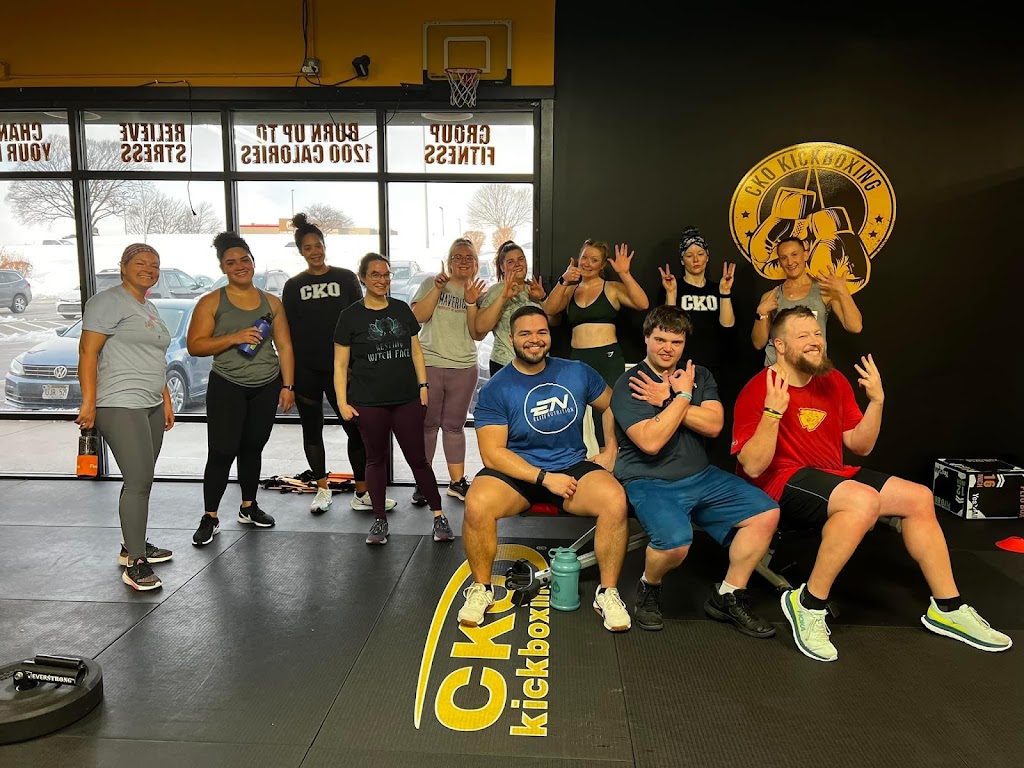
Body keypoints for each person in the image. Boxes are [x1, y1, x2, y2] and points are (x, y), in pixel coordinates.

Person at [732, 306, 1012, 662]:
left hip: (831, 474)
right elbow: (753, 466)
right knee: (862, 501)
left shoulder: (833, 381)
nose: (815, 341)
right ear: (780, 346)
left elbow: (860, 445)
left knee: (919, 497)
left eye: (817, 334)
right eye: (803, 336)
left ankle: (948, 608)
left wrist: (877, 402)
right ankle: (808, 604)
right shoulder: (760, 388)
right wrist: (773, 412)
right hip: (779, 480)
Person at [458, 305, 632, 632]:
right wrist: (544, 478)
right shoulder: (496, 388)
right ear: (511, 338)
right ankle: (482, 588)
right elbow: (492, 454)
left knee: (615, 500)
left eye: (541, 332)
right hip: (518, 473)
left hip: (571, 467)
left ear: (549, 336)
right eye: (525, 333)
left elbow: (612, 405)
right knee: (477, 504)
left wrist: (611, 449)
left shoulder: (576, 372)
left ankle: (607, 592)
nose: (534, 339)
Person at [612, 305, 780, 635]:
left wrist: (671, 398)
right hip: (649, 480)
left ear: (684, 343)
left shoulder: (698, 374)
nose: (667, 348)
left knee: (765, 513)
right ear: (646, 338)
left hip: (701, 476)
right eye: (660, 340)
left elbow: (714, 424)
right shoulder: (631, 382)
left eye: (676, 342)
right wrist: (684, 396)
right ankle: (649, 585)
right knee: (675, 544)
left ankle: (728, 595)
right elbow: (650, 441)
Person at [333, 253, 452, 545]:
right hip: (368, 402)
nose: (382, 280)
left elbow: (416, 351)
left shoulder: (400, 309)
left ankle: (439, 516)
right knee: (375, 460)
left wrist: (423, 386)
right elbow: (340, 364)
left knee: (418, 460)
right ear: (363, 278)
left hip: (406, 399)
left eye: (386, 274)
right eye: (375, 274)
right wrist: (342, 402)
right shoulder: (350, 316)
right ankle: (379, 521)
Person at [282, 212, 395, 515]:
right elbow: (287, 334)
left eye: (318, 245)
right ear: (301, 251)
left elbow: (361, 320)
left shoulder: (345, 278)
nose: (314, 252)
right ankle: (322, 489)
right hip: (307, 370)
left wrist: (360, 365)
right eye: (308, 248)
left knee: (355, 430)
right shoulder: (293, 286)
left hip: (343, 370)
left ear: (325, 245)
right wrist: (288, 382)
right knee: (312, 430)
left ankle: (362, 492)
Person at [77, 243, 176, 591]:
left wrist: (165, 399)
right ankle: (136, 561)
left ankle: (132, 544)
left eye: (155, 264)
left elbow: (155, 358)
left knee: (142, 479)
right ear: (123, 267)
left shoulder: (148, 306)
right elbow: (87, 352)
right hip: (119, 402)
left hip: (150, 403)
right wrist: (89, 402)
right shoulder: (106, 302)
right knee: (138, 480)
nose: (149, 269)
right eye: (141, 263)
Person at [187, 232, 295, 547]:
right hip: (227, 384)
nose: (239, 266)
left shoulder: (271, 302)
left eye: (244, 259)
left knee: (252, 448)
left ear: (253, 262)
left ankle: (249, 506)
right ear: (223, 268)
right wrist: (234, 337)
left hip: (266, 384)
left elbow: (285, 346)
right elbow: (195, 346)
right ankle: (210, 516)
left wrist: (288, 385)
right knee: (222, 451)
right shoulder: (211, 302)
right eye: (231, 262)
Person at [543, 239, 650, 446]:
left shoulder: (611, 288)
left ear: (602, 265)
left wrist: (625, 273)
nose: (587, 263)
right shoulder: (570, 290)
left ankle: (609, 457)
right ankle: (576, 459)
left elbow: (642, 303)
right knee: (573, 410)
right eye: (584, 258)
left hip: (607, 358)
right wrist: (564, 280)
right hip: (578, 359)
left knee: (607, 413)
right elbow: (549, 309)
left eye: (594, 260)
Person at [409, 238, 489, 506]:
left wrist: (472, 302)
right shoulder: (431, 282)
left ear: (476, 264)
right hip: (430, 364)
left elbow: (478, 333)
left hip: (464, 367)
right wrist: (437, 288)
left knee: (454, 427)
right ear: (449, 261)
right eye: (458, 256)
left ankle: (456, 482)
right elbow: (417, 317)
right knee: (428, 426)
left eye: (469, 257)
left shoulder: (480, 292)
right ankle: (423, 482)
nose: (463, 261)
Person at [751, 236, 863, 366]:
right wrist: (761, 312)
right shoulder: (770, 297)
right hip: (778, 370)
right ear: (780, 262)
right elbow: (758, 344)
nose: (790, 262)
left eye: (794, 255)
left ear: (805, 255)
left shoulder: (825, 292)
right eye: (784, 258)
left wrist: (843, 292)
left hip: (812, 368)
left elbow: (855, 326)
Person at [658, 225, 736, 381]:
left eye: (700, 254)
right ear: (682, 260)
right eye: (689, 255)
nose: (695, 260)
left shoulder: (718, 288)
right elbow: (668, 327)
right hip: (680, 364)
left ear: (707, 257)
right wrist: (671, 294)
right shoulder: (673, 286)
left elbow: (727, 326)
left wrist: (725, 293)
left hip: (714, 367)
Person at [473, 240, 549, 377]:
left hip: (538, 363)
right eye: (510, 262)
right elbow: (480, 327)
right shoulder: (496, 291)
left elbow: (554, 322)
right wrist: (503, 297)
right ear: (502, 267)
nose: (517, 264)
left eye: (521, 259)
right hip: (505, 364)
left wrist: (542, 298)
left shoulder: (534, 288)